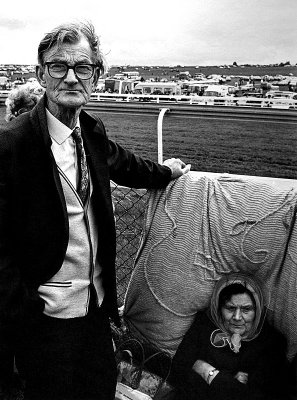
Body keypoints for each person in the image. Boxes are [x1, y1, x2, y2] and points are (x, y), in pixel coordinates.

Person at [0, 21, 190, 400]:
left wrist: (168, 171)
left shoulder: (90, 130)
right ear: (41, 75)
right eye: (59, 66)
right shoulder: (12, 147)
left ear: (96, 76)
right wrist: (26, 313)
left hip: (96, 313)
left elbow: (127, 165)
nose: (71, 77)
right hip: (45, 320)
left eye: (82, 68)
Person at [169, 273, 291, 400]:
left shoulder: (272, 343)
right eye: (230, 308)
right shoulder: (204, 325)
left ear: (257, 310)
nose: (237, 317)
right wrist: (233, 383)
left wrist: (205, 369)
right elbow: (178, 372)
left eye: (246, 309)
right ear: (219, 308)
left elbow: (258, 396)